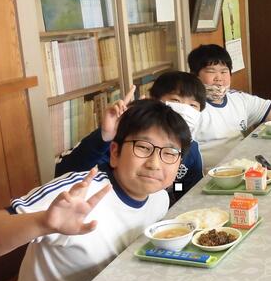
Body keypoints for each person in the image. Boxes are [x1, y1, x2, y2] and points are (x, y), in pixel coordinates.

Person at [0, 99, 191, 281]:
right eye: (143, 147)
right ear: (115, 152)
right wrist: (42, 223)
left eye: (169, 153)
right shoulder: (77, 193)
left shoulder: (159, 199)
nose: (154, 163)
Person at [55, 72, 205, 202]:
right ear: (154, 100)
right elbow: (68, 175)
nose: (185, 110)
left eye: (193, 106)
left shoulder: (190, 149)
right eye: (176, 101)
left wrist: (173, 199)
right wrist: (105, 136)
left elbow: (186, 186)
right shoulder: (123, 141)